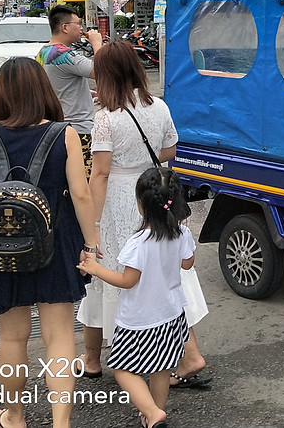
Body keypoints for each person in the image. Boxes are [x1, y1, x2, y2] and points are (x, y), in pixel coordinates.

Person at [0, 57, 101, 428]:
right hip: (54, 245)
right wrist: (91, 244)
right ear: (43, 88)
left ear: (3, 94)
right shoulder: (65, 134)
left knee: (12, 339)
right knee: (59, 338)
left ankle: (15, 416)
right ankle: (61, 424)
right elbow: (80, 195)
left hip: (1, 247)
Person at [76, 41, 211, 386]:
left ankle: (131, 357)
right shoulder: (159, 106)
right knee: (164, 271)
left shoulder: (106, 119)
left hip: (121, 198)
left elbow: (101, 173)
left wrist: (91, 223)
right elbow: (169, 150)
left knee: (112, 272)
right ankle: (93, 357)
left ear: (106, 76)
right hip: (153, 191)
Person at [78, 167, 195, 428]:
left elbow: (127, 281)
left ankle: (152, 413)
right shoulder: (182, 234)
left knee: (121, 367)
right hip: (171, 314)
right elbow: (187, 263)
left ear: (141, 205)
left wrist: (95, 269)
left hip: (139, 319)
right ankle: (154, 412)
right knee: (162, 367)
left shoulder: (139, 242)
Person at [37, 4, 104, 178]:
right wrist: (97, 44)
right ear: (65, 27)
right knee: (86, 182)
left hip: (55, 126)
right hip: (78, 129)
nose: (82, 28)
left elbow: (55, 85)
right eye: (78, 23)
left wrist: (83, 92)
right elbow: (102, 72)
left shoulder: (43, 52)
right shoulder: (63, 53)